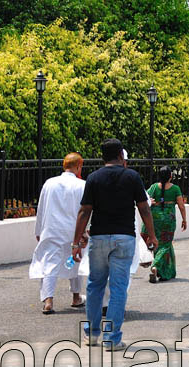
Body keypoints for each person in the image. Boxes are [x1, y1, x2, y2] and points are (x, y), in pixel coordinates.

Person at [72, 139, 157, 350]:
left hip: (99, 237)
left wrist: (76, 242)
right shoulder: (132, 177)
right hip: (124, 237)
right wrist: (152, 236)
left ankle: (91, 334)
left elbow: (84, 211)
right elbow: (144, 209)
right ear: (121, 155)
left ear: (103, 157)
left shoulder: (93, 178)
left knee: (94, 286)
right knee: (118, 288)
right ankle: (111, 338)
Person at [29, 153, 87, 314]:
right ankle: (76, 297)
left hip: (52, 229)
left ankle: (48, 301)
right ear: (78, 166)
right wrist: (85, 232)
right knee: (76, 261)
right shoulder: (82, 185)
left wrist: (38, 230)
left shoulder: (49, 183)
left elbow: (40, 208)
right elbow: (85, 211)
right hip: (73, 230)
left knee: (49, 264)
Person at [145, 166, 186, 283]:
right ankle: (155, 266)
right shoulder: (175, 188)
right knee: (166, 244)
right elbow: (181, 206)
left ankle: (165, 272)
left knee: (158, 242)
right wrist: (184, 219)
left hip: (155, 218)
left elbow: (144, 199)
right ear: (170, 176)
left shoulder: (153, 187)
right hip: (169, 219)